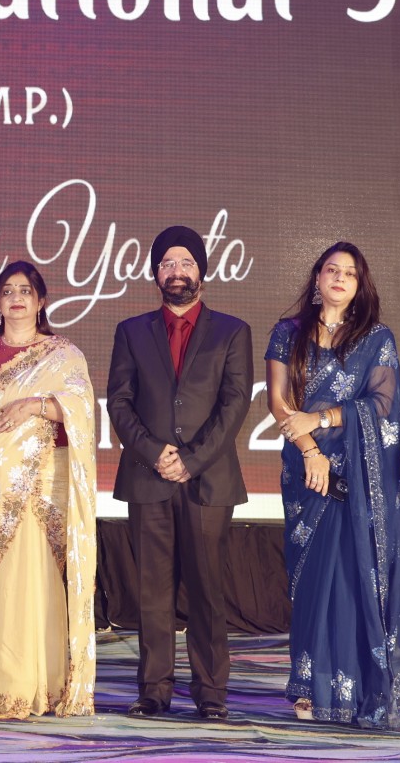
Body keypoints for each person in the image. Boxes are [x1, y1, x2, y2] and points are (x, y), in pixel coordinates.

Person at [265, 242, 400, 727]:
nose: (338, 278)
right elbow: (279, 402)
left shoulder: (376, 338)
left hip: (358, 477)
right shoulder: (288, 332)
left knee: (353, 580)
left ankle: (357, 689)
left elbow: (382, 406)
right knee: (314, 581)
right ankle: (310, 685)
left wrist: (323, 417)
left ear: (359, 285)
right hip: (306, 471)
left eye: (349, 273)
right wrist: (311, 450)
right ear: (317, 278)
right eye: (331, 269)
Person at [106, 225, 251, 720]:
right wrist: (155, 453)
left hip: (207, 480)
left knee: (208, 591)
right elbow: (120, 403)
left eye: (186, 262)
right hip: (147, 478)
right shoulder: (131, 331)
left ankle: (211, 693)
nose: (176, 271)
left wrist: (191, 459)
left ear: (201, 272)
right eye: (167, 263)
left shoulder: (232, 331)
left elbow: (235, 405)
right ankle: (154, 690)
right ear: (155, 274)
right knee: (152, 592)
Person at [0, 260, 96, 719]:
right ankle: (5, 684)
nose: (16, 298)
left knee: (40, 576)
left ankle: (44, 684)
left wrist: (34, 403)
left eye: (25, 291)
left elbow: (81, 411)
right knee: (2, 581)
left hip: (44, 481)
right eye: (7, 291)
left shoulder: (63, 355)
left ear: (41, 301)